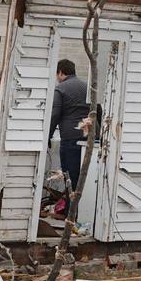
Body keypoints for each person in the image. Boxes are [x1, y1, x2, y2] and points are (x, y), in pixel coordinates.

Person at [50, 59, 88, 190]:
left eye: (57, 74)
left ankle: (70, 208)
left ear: (60, 72)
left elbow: (55, 114)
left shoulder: (60, 88)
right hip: (86, 138)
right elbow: (98, 111)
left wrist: (48, 136)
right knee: (82, 175)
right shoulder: (87, 87)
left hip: (69, 139)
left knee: (69, 176)